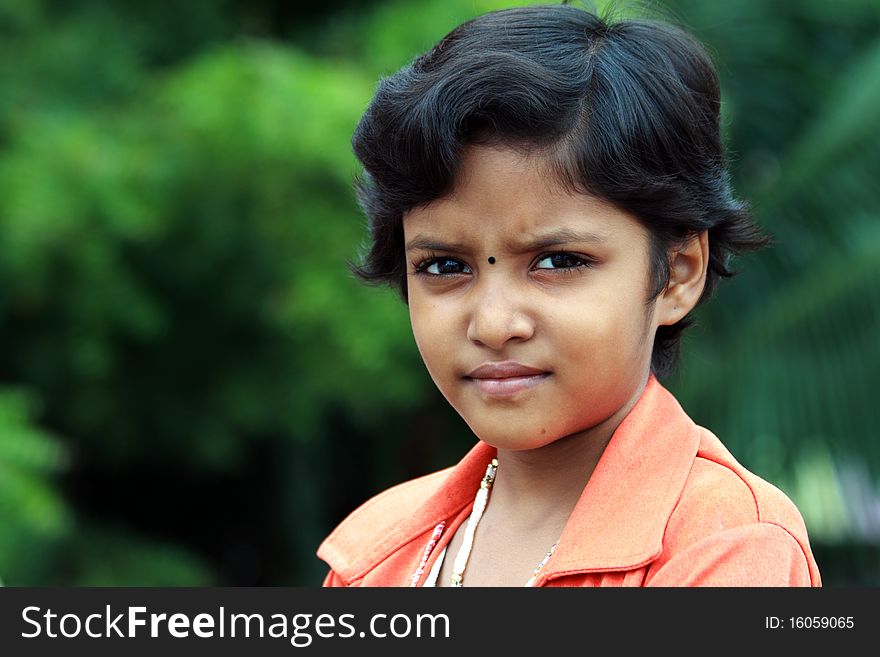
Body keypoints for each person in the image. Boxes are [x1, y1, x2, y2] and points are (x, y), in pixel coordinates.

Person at [316, 2, 821, 587]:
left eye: (558, 262)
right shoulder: (379, 553)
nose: (495, 323)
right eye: (444, 265)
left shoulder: (726, 545)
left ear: (678, 274)